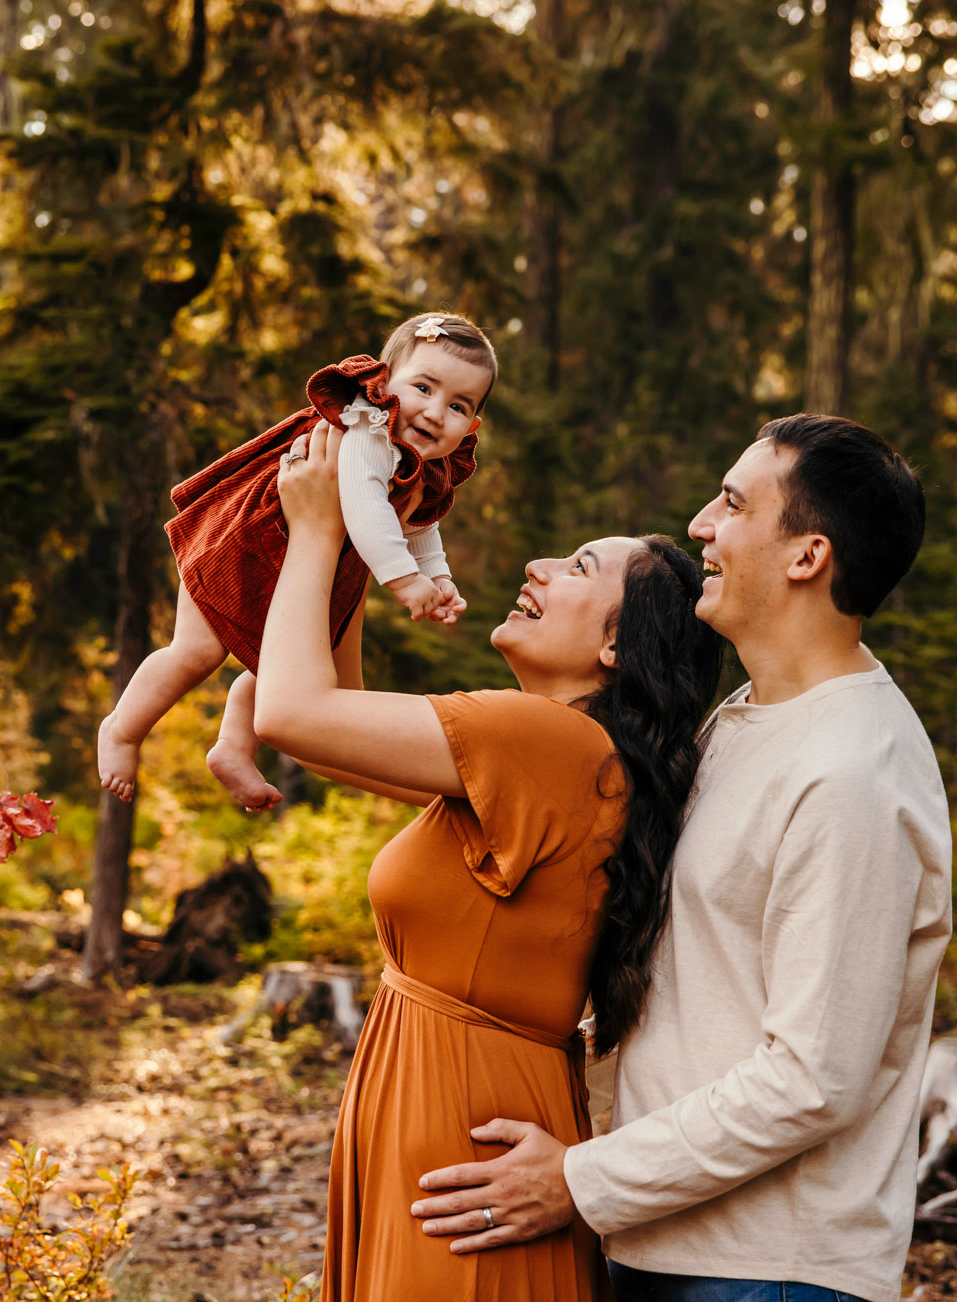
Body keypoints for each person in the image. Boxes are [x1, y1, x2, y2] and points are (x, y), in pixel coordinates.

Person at [410, 414, 954, 1302]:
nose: (701, 523)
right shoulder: (746, 719)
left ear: (806, 556)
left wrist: (581, 1180)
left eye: (733, 504)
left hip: (767, 1273)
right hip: (671, 1245)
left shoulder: (853, 771)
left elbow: (815, 1078)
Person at [254, 419, 724, 1301]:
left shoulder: (541, 737)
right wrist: (360, 536)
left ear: (617, 648)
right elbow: (332, 732)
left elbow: (289, 715)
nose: (539, 567)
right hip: (465, 1115)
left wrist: (316, 530)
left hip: (460, 1135)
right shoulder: (564, 755)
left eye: (579, 566)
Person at [97, 312, 495, 812]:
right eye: (423, 387)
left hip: (298, 560)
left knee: (295, 662)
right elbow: (366, 507)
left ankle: (234, 746)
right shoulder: (369, 431)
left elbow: (420, 524)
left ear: (473, 424)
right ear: (384, 381)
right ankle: (122, 729)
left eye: (457, 405)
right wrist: (407, 581)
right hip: (241, 540)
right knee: (196, 653)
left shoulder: (424, 461)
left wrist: (438, 576)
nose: (436, 412)